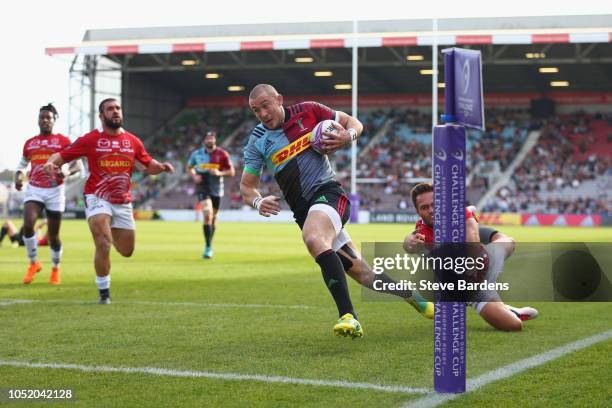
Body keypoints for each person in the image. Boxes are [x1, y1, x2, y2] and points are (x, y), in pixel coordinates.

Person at [241, 84, 433, 339]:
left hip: (329, 195)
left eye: (266, 105)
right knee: (365, 274)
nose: (263, 113)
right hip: (304, 212)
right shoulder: (257, 141)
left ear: (279, 99)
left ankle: (348, 316)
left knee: (312, 238)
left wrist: (348, 136)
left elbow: (353, 122)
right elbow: (247, 186)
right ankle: (411, 295)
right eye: (256, 110)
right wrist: (257, 202)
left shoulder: (309, 111)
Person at [44, 98, 174, 304]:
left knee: (126, 251)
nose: (115, 112)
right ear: (101, 116)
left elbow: (148, 165)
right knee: (103, 244)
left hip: (122, 201)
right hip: (97, 196)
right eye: (110, 109)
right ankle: (104, 292)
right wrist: (50, 164)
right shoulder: (90, 139)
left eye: (118, 108)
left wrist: (162, 167)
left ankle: (107, 231)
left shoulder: (133, 141)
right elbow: (60, 156)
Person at [404, 182, 538, 331]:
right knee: (514, 325)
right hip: (465, 287)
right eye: (424, 207)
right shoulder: (422, 232)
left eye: (435, 204)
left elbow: (473, 235)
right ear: (417, 211)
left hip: (481, 265)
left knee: (508, 241)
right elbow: (409, 243)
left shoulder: (458, 214)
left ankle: (497, 301)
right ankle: (511, 311)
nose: (431, 210)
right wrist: (409, 243)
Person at [15, 103, 81, 285]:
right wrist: (18, 177)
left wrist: (66, 173)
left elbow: (78, 165)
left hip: (55, 191)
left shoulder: (63, 141)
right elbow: (22, 165)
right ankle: (33, 263)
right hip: (35, 189)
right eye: (42, 117)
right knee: (28, 224)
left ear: (54, 120)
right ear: (38, 120)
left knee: (53, 236)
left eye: (48, 118)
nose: (44, 120)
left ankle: (55, 268)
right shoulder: (30, 143)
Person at [187, 131, 235, 259]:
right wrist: (194, 176)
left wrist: (220, 173)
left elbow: (231, 171)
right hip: (202, 185)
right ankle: (208, 247)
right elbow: (189, 167)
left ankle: (209, 244)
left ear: (215, 140)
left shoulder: (222, 154)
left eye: (211, 138)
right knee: (207, 214)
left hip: (216, 187)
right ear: (204, 140)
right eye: (207, 138)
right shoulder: (196, 154)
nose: (209, 140)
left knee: (213, 218)